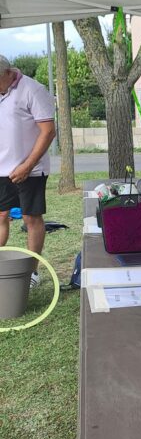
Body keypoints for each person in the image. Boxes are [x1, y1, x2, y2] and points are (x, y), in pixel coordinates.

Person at [0, 55, 56, 286]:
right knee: (1, 216)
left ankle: (32, 271)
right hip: (1, 169)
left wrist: (27, 166)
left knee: (31, 218)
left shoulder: (32, 89)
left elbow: (48, 131)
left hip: (30, 170)